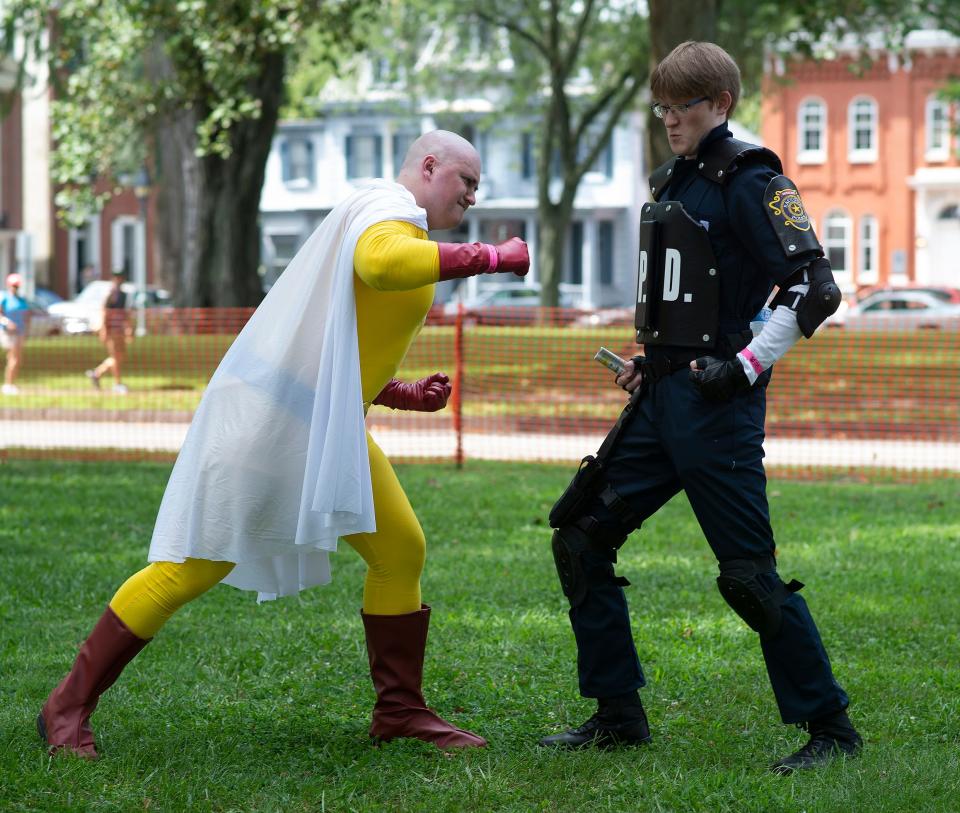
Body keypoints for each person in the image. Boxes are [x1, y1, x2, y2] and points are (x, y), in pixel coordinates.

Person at [38, 130, 530, 759]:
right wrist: (490, 256)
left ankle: (399, 711)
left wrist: (399, 392)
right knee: (190, 568)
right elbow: (381, 264)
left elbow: (334, 342)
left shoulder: (390, 217)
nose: (473, 196)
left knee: (400, 550)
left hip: (323, 424)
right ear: (429, 167)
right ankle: (67, 704)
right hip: (271, 427)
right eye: (467, 182)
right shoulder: (388, 212)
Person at [539, 42, 861, 775]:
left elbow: (816, 289)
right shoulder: (671, 180)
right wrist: (653, 361)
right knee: (580, 537)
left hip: (721, 412)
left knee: (747, 575)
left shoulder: (754, 180)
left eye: (681, 106)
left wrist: (743, 366)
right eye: (661, 107)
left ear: (721, 102)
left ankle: (831, 726)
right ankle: (617, 714)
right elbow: (685, 293)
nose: (669, 120)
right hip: (661, 403)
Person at [86, 269, 131, 394]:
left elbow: (124, 314)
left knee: (119, 356)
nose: (119, 280)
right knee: (115, 356)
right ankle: (117, 383)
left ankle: (97, 373)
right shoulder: (111, 294)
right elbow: (105, 312)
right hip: (112, 330)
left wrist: (128, 329)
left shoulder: (123, 295)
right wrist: (104, 330)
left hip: (119, 329)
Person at [1, 273, 30, 395]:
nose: (15, 288)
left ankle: (11, 383)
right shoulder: (4, 298)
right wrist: (7, 323)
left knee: (16, 359)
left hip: (20, 332)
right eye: (13, 285)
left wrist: (26, 330)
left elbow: (27, 316)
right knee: (13, 358)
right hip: (9, 333)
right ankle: (8, 385)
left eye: (17, 286)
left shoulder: (22, 300)